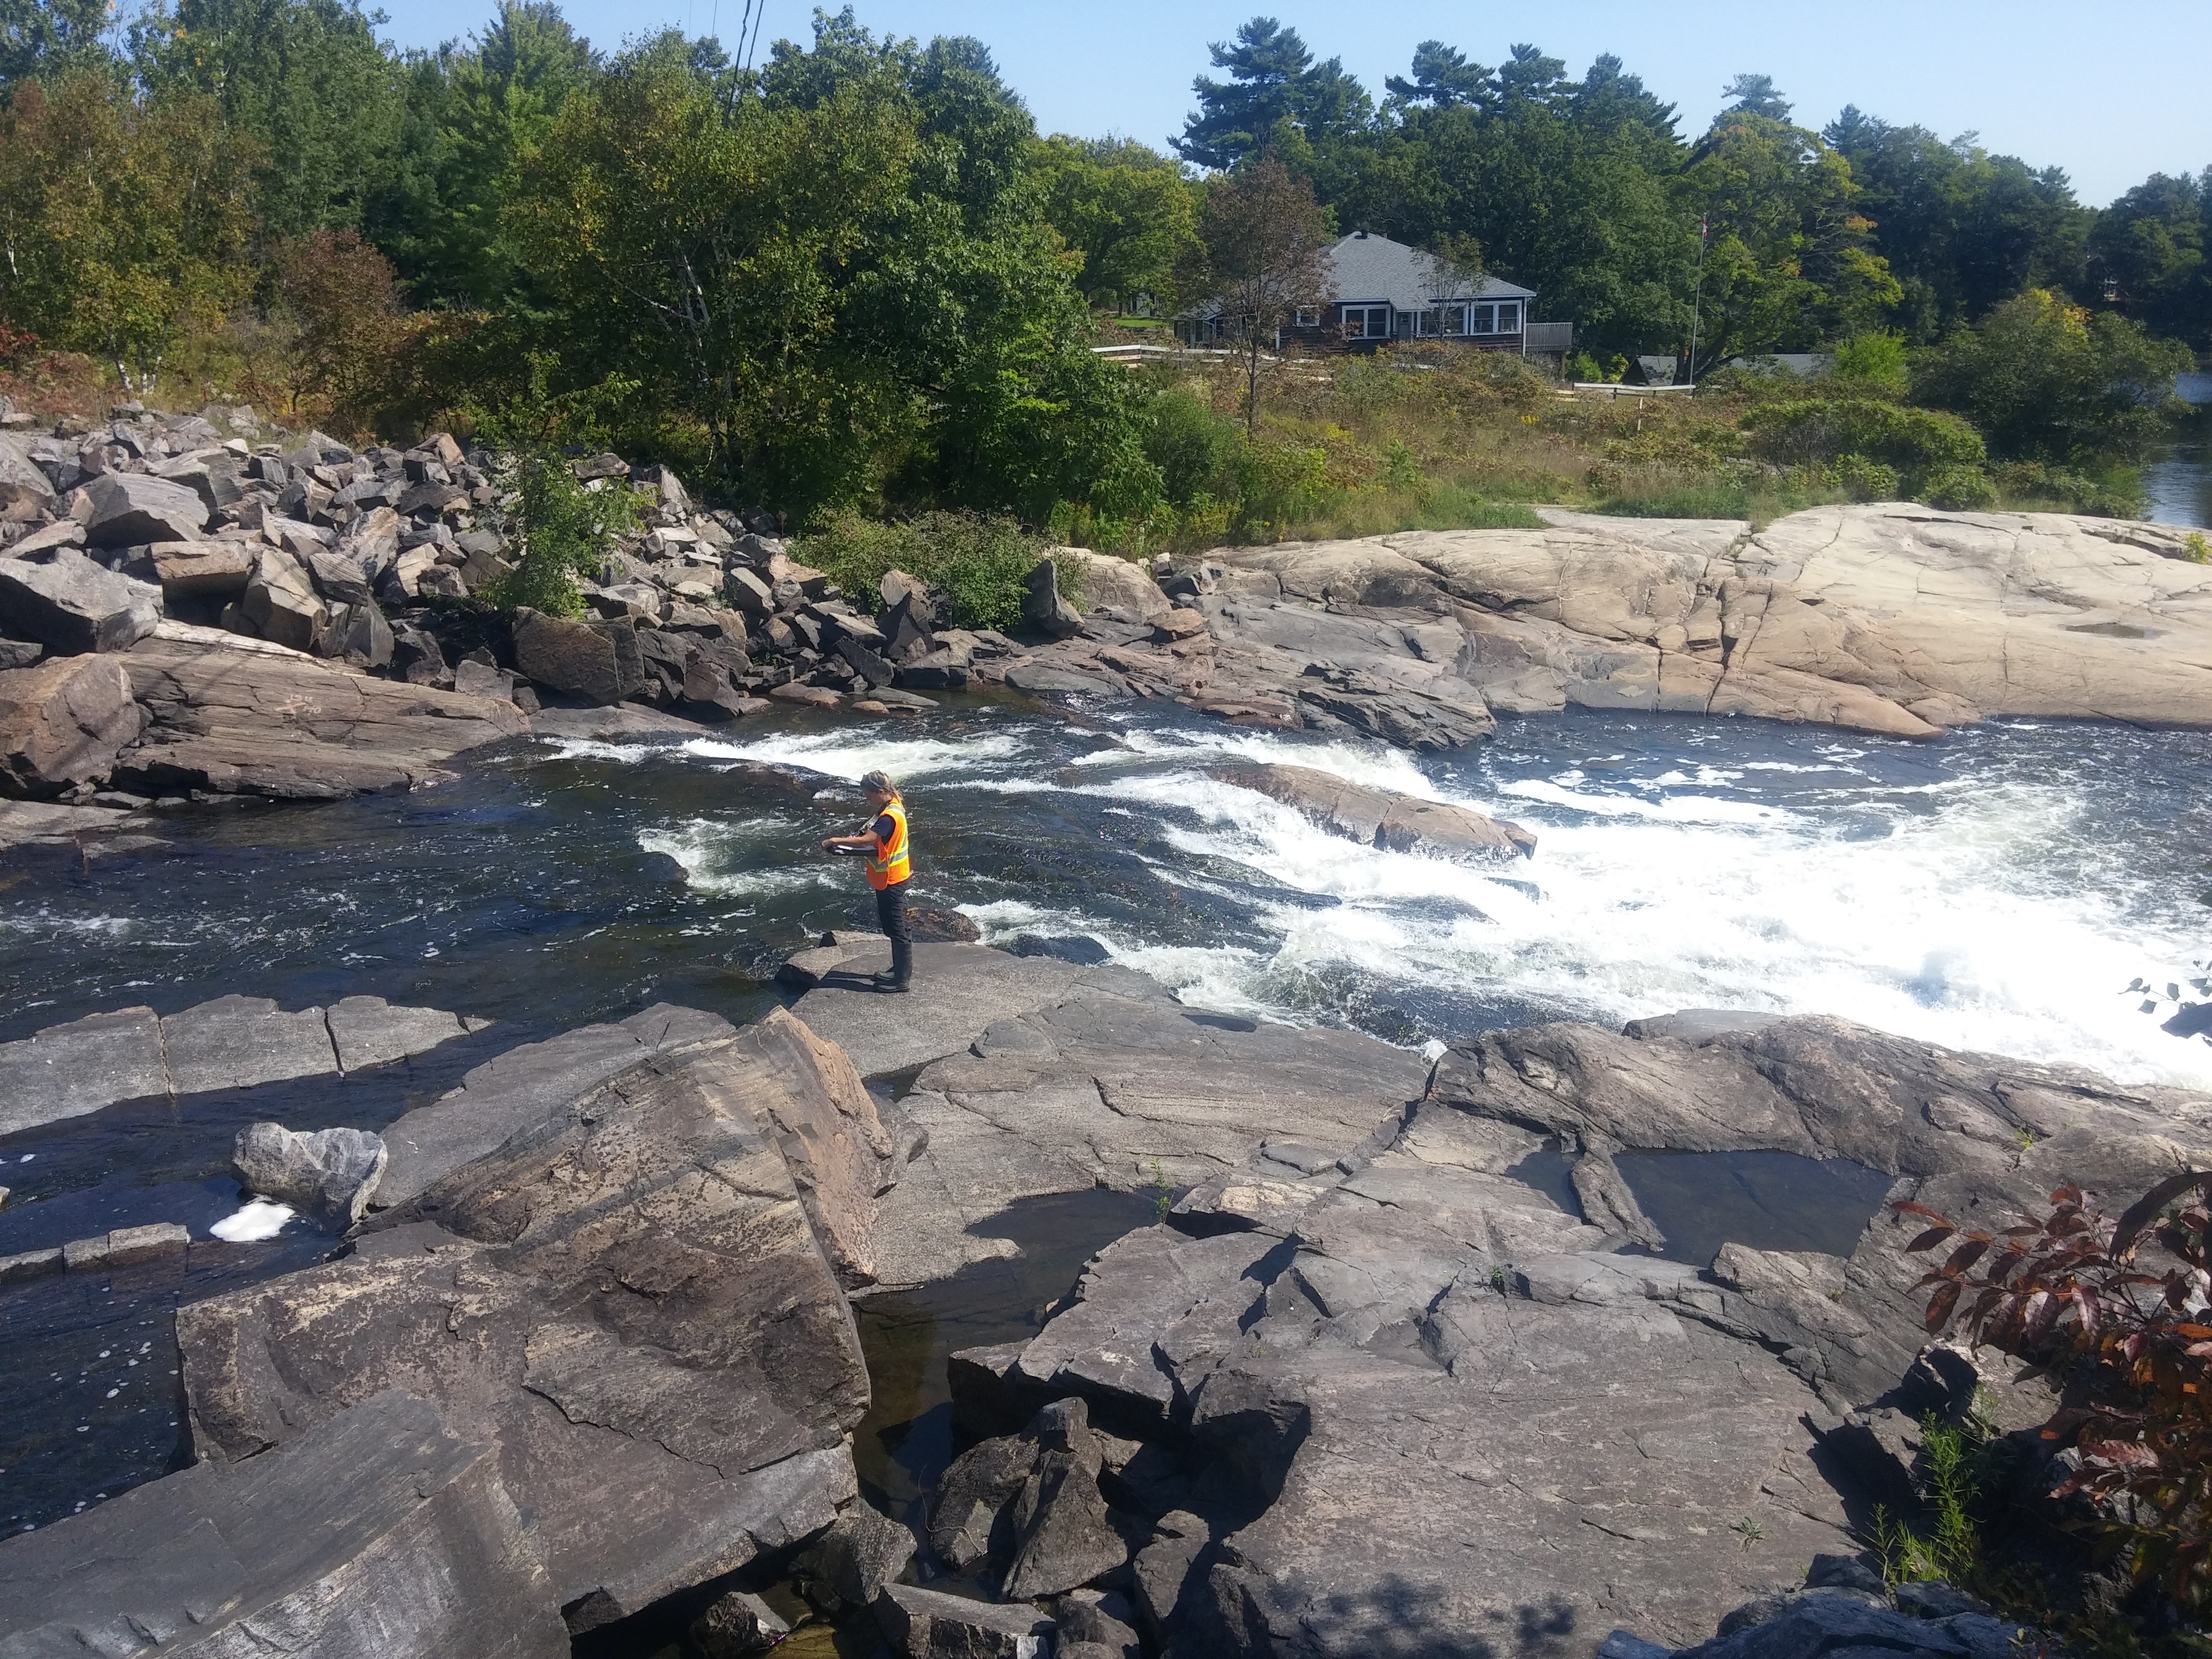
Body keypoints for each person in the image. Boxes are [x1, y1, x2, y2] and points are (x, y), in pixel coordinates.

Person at [819, 769, 912, 992]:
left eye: (868, 795)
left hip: (891, 878)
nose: (867, 799)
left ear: (880, 792)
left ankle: (901, 981)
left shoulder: (889, 817)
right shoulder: (895, 804)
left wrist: (835, 840)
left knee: (896, 928)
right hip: (895, 875)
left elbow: (867, 841)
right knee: (894, 926)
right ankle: (899, 971)